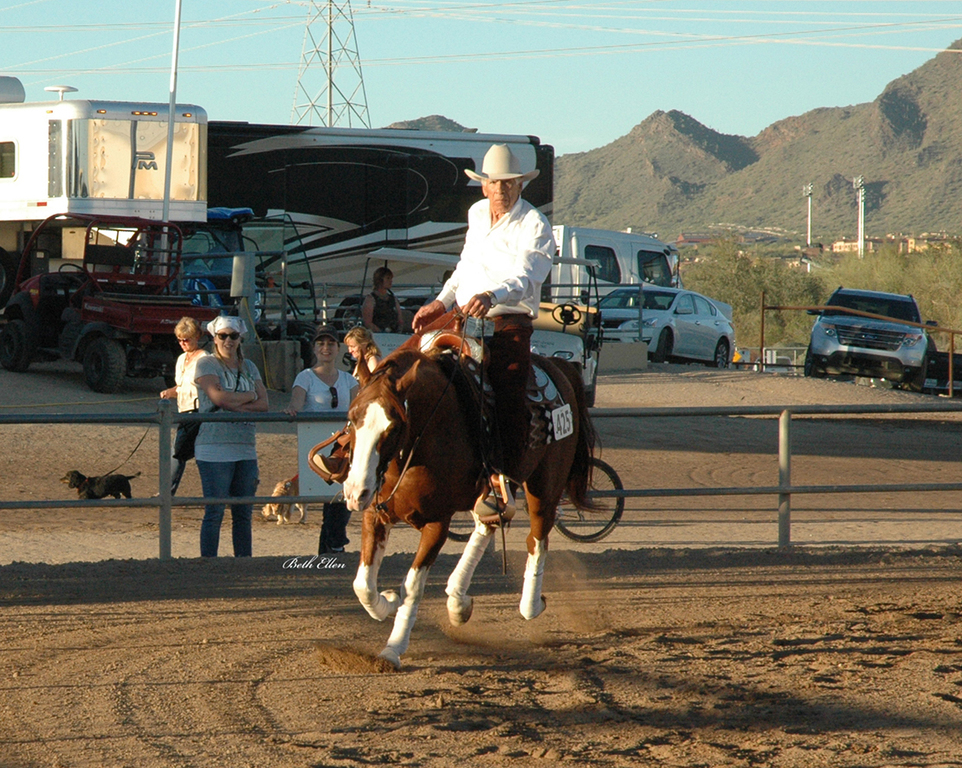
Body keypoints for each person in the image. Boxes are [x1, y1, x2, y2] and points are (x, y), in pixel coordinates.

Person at [412, 143, 555, 516]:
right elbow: (465, 265)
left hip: (508, 321)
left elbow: (528, 276)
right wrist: (440, 302)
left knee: (508, 387)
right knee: (413, 359)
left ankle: (502, 480)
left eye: (509, 183)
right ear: (484, 185)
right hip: (463, 316)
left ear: (520, 184)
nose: (501, 189)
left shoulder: (535, 224)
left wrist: (493, 295)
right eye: (495, 183)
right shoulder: (477, 214)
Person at [193, 316, 269, 557]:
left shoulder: (250, 367)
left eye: (233, 336)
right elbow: (218, 399)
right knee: (214, 512)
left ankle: (243, 563)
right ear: (214, 338)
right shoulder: (206, 364)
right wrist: (249, 396)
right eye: (223, 336)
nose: (228, 340)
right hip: (213, 447)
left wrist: (233, 403)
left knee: (243, 513)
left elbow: (264, 404)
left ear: (240, 338)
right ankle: (209, 564)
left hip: (245, 447)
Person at [286, 324, 359, 554]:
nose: (326, 348)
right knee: (331, 501)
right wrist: (292, 409)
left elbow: (358, 409)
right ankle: (333, 550)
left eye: (330, 343)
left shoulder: (348, 380)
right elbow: (296, 402)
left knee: (339, 501)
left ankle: (330, 551)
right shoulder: (305, 377)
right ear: (314, 347)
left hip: (343, 450)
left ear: (338, 348)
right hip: (317, 448)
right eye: (321, 343)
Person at [160, 317, 209, 495]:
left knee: (178, 451)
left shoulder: (205, 359)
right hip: (183, 411)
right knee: (183, 452)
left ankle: (167, 492)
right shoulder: (181, 359)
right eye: (179, 340)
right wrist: (170, 392)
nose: (182, 343)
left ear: (197, 337)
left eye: (186, 340)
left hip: (198, 411)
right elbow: (181, 386)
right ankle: (168, 491)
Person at [361, 266, 404, 333]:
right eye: (388, 278)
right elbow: (368, 323)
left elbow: (400, 320)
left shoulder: (393, 299)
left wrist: (398, 331)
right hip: (377, 335)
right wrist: (381, 332)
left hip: (394, 334)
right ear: (379, 280)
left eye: (391, 278)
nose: (390, 281)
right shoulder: (371, 299)